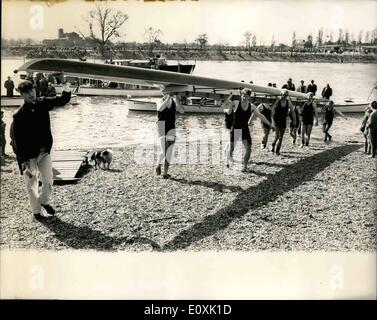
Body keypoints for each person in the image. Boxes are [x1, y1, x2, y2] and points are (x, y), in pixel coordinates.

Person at [10, 80, 71, 221]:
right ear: (22, 95)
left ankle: (44, 201)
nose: (31, 94)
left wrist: (66, 86)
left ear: (35, 90)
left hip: (44, 153)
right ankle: (36, 212)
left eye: (32, 91)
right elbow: (17, 141)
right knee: (31, 185)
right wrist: (22, 161)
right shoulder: (18, 115)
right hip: (28, 157)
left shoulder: (42, 103)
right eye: (27, 93)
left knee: (48, 180)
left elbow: (62, 100)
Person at [223, 88, 273, 171]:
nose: (244, 97)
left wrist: (270, 124)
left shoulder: (252, 106)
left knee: (248, 148)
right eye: (243, 95)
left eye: (246, 96)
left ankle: (245, 166)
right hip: (236, 129)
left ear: (249, 97)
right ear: (241, 95)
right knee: (232, 149)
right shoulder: (236, 103)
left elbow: (261, 116)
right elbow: (227, 111)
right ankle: (227, 160)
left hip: (245, 129)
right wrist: (229, 101)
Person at [155, 93, 184, 179]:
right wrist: (168, 97)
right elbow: (160, 109)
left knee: (169, 152)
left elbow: (182, 111)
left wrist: (177, 99)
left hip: (171, 128)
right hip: (162, 127)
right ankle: (158, 164)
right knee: (165, 151)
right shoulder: (159, 101)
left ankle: (165, 173)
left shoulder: (174, 102)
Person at [270, 89, 297, 155]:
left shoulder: (288, 102)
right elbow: (272, 110)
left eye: (287, 95)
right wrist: (272, 120)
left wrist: (295, 120)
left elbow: (293, 112)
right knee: (277, 136)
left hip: (283, 121)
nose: (285, 96)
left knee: (281, 136)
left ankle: (277, 150)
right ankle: (273, 145)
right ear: (281, 94)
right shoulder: (278, 101)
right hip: (276, 120)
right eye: (284, 94)